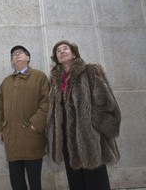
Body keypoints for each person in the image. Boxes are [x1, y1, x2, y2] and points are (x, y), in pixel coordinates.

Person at [45, 40, 121, 190]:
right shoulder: (55, 79)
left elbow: (107, 103)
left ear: (73, 53)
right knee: (76, 180)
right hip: (67, 136)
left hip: (89, 135)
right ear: (56, 58)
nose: (61, 51)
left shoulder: (90, 71)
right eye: (58, 51)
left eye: (65, 48)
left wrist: (92, 123)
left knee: (95, 179)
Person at [0, 45, 50, 190]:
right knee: (16, 182)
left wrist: (35, 124)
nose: (17, 55)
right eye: (13, 54)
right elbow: (0, 108)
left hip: (31, 137)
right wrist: (0, 129)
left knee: (34, 182)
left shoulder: (39, 77)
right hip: (11, 138)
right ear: (12, 61)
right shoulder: (6, 82)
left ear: (28, 58)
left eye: (21, 53)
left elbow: (47, 103)